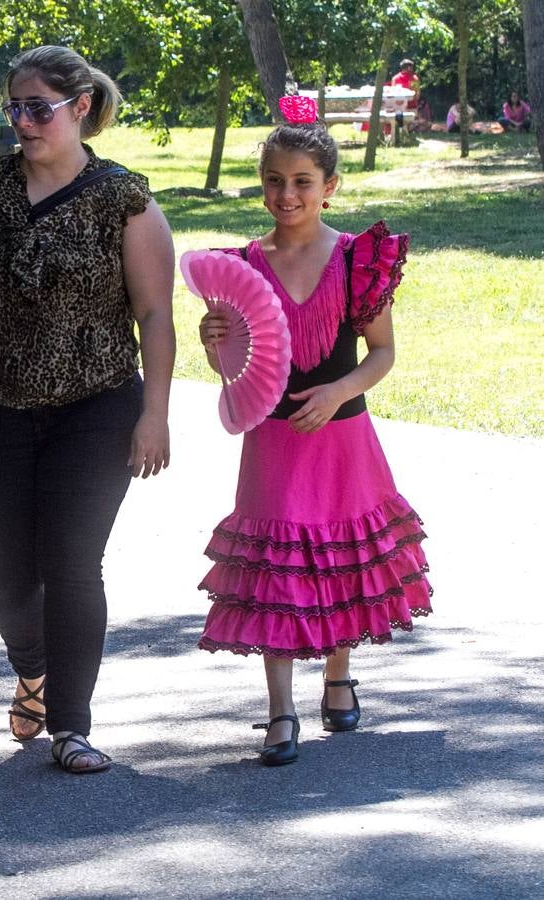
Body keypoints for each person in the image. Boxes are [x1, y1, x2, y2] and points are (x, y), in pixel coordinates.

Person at [0, 46, 175, 775]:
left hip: (95, 405)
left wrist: (153, 412)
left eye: (38, 108)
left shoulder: (124, 199)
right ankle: (31, 667)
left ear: (81, 109)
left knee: (70, 563)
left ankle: (72, 724)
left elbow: (155, 314)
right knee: (2, 575)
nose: (24, 122)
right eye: (15, 108)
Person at [195, 96, 433, 767]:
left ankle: (336, 672)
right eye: (274, 180)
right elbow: (232, 368)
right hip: (271, 441)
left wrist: (337, 391)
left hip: (340, 437)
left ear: (329, 187)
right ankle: (278, 711)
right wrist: (212, 340)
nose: (285, 194)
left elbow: (382, 353)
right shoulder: (239, 266)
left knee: (338, 555)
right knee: (274, 561)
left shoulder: (359, 260)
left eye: (301, 182)